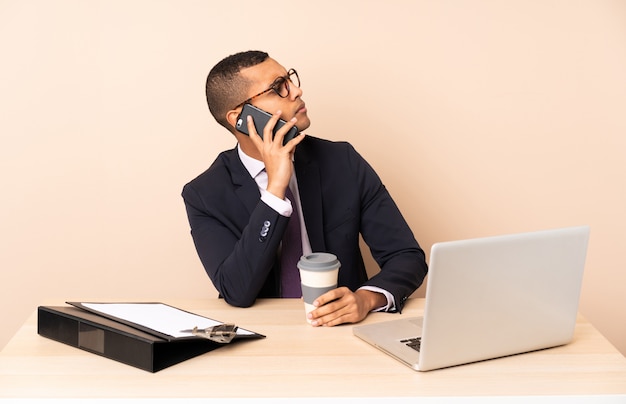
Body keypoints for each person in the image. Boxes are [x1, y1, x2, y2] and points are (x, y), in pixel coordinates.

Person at [182, 50, 428, 326]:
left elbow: (406, 256)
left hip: (343, 333)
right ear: (241, 117)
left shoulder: (342, 161)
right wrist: (275, 189)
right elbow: (236, 290)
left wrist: (366, 299)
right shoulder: (204, 195)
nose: (297, 91)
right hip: (261, 340)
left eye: (290, 79)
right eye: (279, 88)